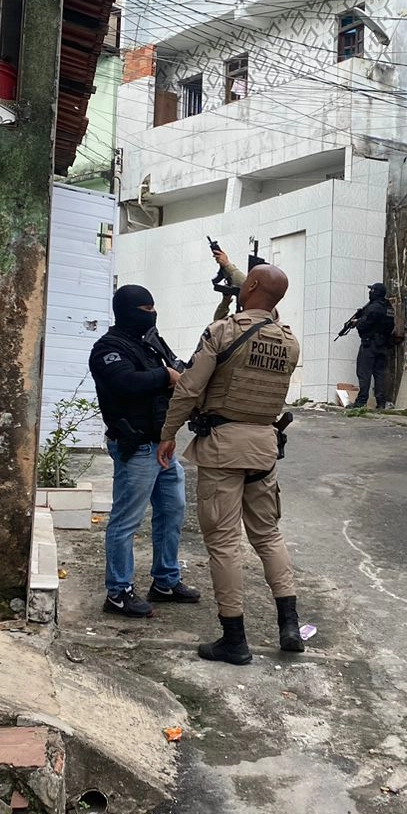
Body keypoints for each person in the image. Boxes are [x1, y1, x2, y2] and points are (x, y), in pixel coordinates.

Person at [156, 265, 303, 665]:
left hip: (223, 447)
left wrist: (169, 433)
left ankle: (234, 639)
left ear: (251, 286)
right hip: (264, 447)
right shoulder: (290, 341)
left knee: (224, 543)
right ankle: (289, 626)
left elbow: (189, 387)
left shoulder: (223, 331)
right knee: (268, 536)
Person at [89, 285, 201, 618]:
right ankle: (118, 593)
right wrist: (164, 375)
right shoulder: (107, 349)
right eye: (144, 308)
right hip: (136, 446)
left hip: (162, 444)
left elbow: (177, 372)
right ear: (125, 311)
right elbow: (126, 383)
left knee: (172, 511)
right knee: (126, 521)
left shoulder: (150, 344)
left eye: (153, 308)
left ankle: (165, 581)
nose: (151, 314)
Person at [342, 282, 396, 409]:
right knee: (379, 375)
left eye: (371, 290)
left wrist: (357, 322)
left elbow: (364, 324)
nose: (369, 292)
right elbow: (391, 326)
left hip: (369, 344)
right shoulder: (389, 308)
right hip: (383, 345)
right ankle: (381, 403)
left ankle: (361, 402)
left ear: (374, 293)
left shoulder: (373, 308)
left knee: (364, 373)